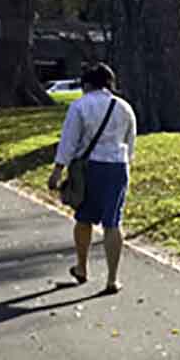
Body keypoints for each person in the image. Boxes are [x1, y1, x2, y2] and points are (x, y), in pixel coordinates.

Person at [46, 62, 138, 294]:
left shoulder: (80, 106)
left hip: (90, 169)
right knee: (113, 222)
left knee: (84, 219)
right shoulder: (124, 107)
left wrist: (58, 170)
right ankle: (112, 279)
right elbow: (131, 141)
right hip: (118, 166)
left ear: (86, 84)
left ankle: (82, 267)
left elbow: (69, 141)